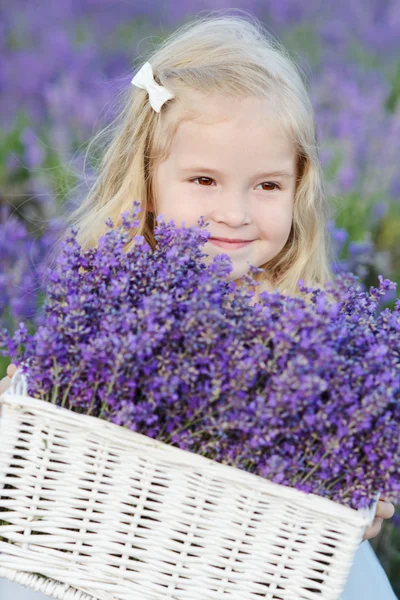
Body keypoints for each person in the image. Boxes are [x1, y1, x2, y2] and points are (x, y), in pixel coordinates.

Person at [0, 11, 397, 600]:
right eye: (205, 181)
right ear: (147, 179)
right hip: (106, 552)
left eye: (267, 186)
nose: (234, 213)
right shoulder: (107, 300)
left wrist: (362, 495)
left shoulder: (306, 327)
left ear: (299, 187)